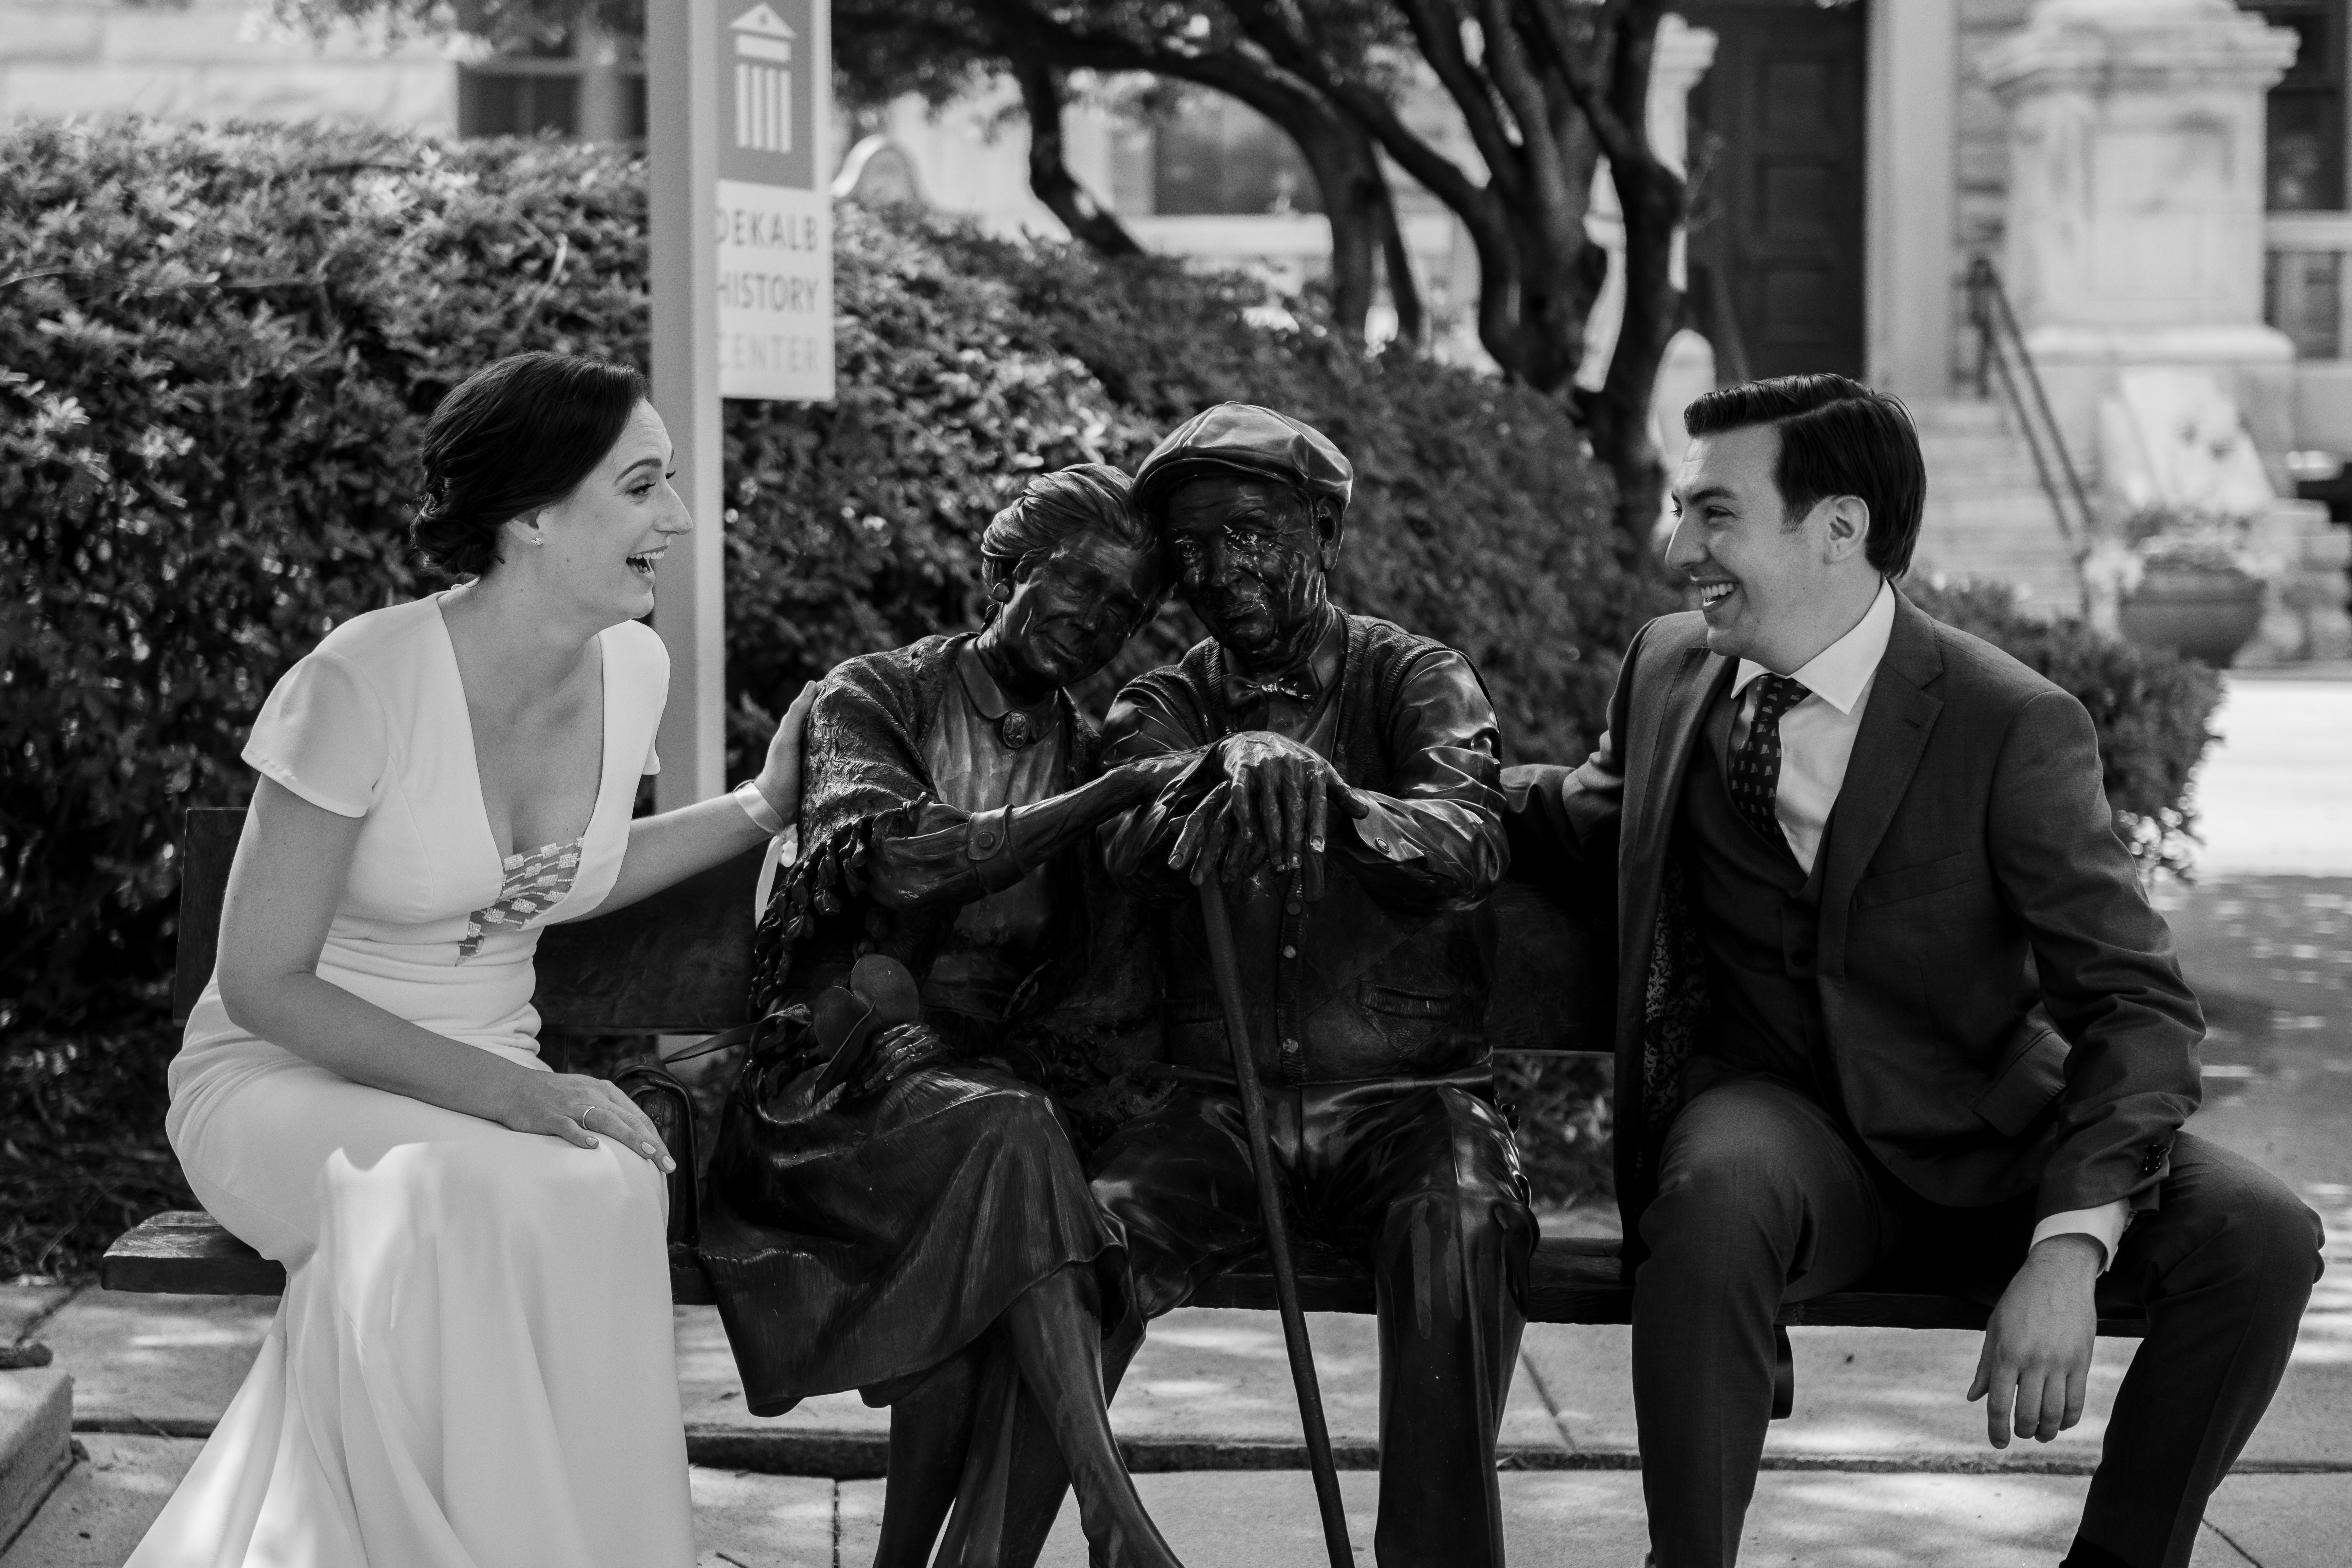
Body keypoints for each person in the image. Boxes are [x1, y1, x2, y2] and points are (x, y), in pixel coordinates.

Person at [1502, 374, 2324, 1568]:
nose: (1678, 546)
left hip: (1994, 1138)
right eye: (1685, 510)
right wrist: (1380, 786)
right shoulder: (1670, 669)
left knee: (2262, 1235)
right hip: (1784, 1131)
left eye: (1715, 513)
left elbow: (2136, 1001)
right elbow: (1582, 814)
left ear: (1837, 528)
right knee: (1713, 1193)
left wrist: (2067, 1244)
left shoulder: (2007, 722)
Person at [131, 352, 816, 1568]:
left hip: (487, 1077)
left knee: (604, 1187)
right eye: (643, 485)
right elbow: (264, 981)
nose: (677, 517)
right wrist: (522, 1095)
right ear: (533, 517)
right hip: (287, 1077)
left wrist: (759, 809)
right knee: (441, 1200)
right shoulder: (358, 683)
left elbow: (572, 874)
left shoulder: (632, 668)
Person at [1004, 404, 1529, 1568]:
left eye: (1249, 534)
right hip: (1214, 1110)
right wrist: (1219, 769)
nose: (1217, 571)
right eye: (1190, 550)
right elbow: (1125, 828)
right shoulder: (1165, 700)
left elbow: (1466, 842)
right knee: (1069, 1258)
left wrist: (1334, 801)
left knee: (1461, 1223)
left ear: (1324, 530)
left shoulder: (1417, 677)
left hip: (1404, 1100)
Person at [700, 464, 1195, 1568]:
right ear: (1011, 569)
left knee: (1050, 1208)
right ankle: (1111, 1510)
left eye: (1126, 610)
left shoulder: (1086, 741)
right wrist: (1112, 796)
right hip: (831, 1095)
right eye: (1082, 586)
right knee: (1013, 1146)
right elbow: (902, 862)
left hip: (980, 1106)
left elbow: (1099, 982)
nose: (1100, 623)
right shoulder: (873, 695)